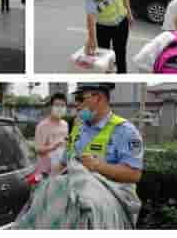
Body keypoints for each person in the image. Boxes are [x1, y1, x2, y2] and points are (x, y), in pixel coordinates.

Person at [58, 83, 143, 222]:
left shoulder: (125, 131)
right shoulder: (78, 128)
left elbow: (134, 174)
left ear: (98, 98)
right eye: (75, 100)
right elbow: (63, 164)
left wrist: (97, 166)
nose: (77, 106)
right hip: (76, 208)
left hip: (112, 212)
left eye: (80, 99)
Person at [84, 0, 134, 74]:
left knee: (121, 54)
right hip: (103, 27)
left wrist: (129, 15)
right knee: (104, 58)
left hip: (121, 23)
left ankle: (122, 77)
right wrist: (91, 38)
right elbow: (90, 15)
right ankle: (108, 80)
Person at [35, 92, 69, 176]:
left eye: (63, 105)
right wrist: (53, 147)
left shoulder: (65, 124)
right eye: (57, 105)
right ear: (51, 107)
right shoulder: (42, 125)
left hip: (62, 169)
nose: (60, 108)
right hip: (46, 172)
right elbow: (37, 149)